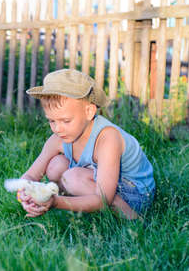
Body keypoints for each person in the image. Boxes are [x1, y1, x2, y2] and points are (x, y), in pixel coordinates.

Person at [18, 69, 155, 219]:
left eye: (66, 121)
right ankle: (82, 208)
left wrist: (56, 202)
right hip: (102, 183)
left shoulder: (107, 138)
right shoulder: (59, 137)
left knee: (72, 178)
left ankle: (133, 218)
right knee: (55, 166)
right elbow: (31, 174)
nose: (57, 128)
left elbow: (104, 199)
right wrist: (25, 193)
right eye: (52, 121)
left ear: (89, 112)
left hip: (134, 193)